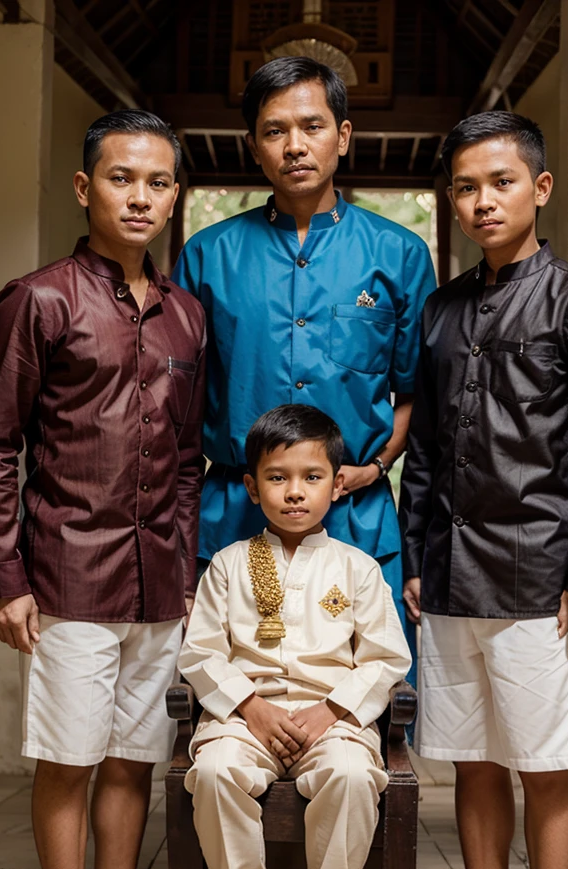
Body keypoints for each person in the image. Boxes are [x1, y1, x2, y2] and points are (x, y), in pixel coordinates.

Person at [0, 110, 206, 869]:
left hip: (157, 584)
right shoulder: (39, 299)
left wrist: (182, 569)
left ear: (175, 193)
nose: (139, 196)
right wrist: (7, 579)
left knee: (132, 760)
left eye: (156, 181)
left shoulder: (187, 315)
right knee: (69, 759)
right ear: (85, 187)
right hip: (67, 576)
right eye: (120, 178)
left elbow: (187, 460)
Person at [399, 111, 568, 869]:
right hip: (450, 571)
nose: (480, 200)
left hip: (542, 580)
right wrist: (417, 554)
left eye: (499, 182)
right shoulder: (444, 307)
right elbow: (423, 450)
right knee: (473, 760)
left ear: (540, 188)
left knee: (545, 762)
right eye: (464, 186)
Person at [172, 56, 436, 661]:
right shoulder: (207, 255)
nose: (295, 145)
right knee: (236, 690)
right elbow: (178, 404)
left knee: (360, 691)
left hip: (353, 514)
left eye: (312, 126)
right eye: (275, 130)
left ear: (342, 136)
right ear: (254, 147)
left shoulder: (398, 253)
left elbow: (417, 390)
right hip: (236, 515)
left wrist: (374, 467)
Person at [179, 404, 411, 869]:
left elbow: (386, 659)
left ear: (337, 484)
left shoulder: (357, 570)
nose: (295, 492)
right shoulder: (228, 567)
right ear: (252, 488)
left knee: (354, 776)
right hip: (243, 717)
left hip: (331, 721)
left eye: (312, 477)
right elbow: (201, 654)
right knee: (213, 773)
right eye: (278, 478)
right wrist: (249, 707)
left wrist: (332, 711)